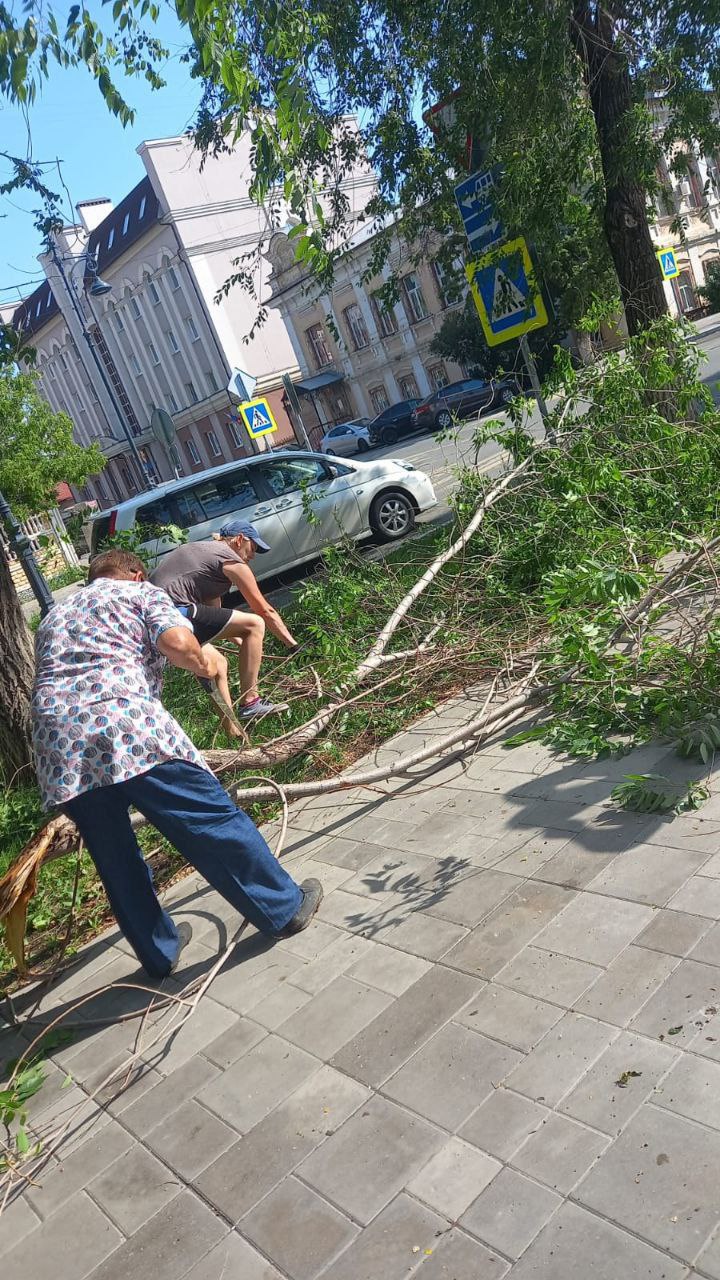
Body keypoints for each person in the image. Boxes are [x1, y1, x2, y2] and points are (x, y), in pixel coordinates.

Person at [30, 548, 322, 979]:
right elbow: (178, 645)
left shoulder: (54, 615)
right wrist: (206, 663)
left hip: (58, 746)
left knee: (114, 857)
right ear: (136, 572)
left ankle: (159, 953)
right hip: (125, 727)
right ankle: (283, 908)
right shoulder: (140, 594)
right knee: (209, 820)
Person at [150, 520, 298, 729]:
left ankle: (234, 733)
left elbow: (217, 619)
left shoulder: (203, 556)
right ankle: (251, 702)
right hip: (175, 612)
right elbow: (264, 610)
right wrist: (293, 646)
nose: (253, 556)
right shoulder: (229, 558)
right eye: (253, 548)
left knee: (217, 665)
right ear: (239, 540)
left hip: (155, 624)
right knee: (255, 624)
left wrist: (245, 644)